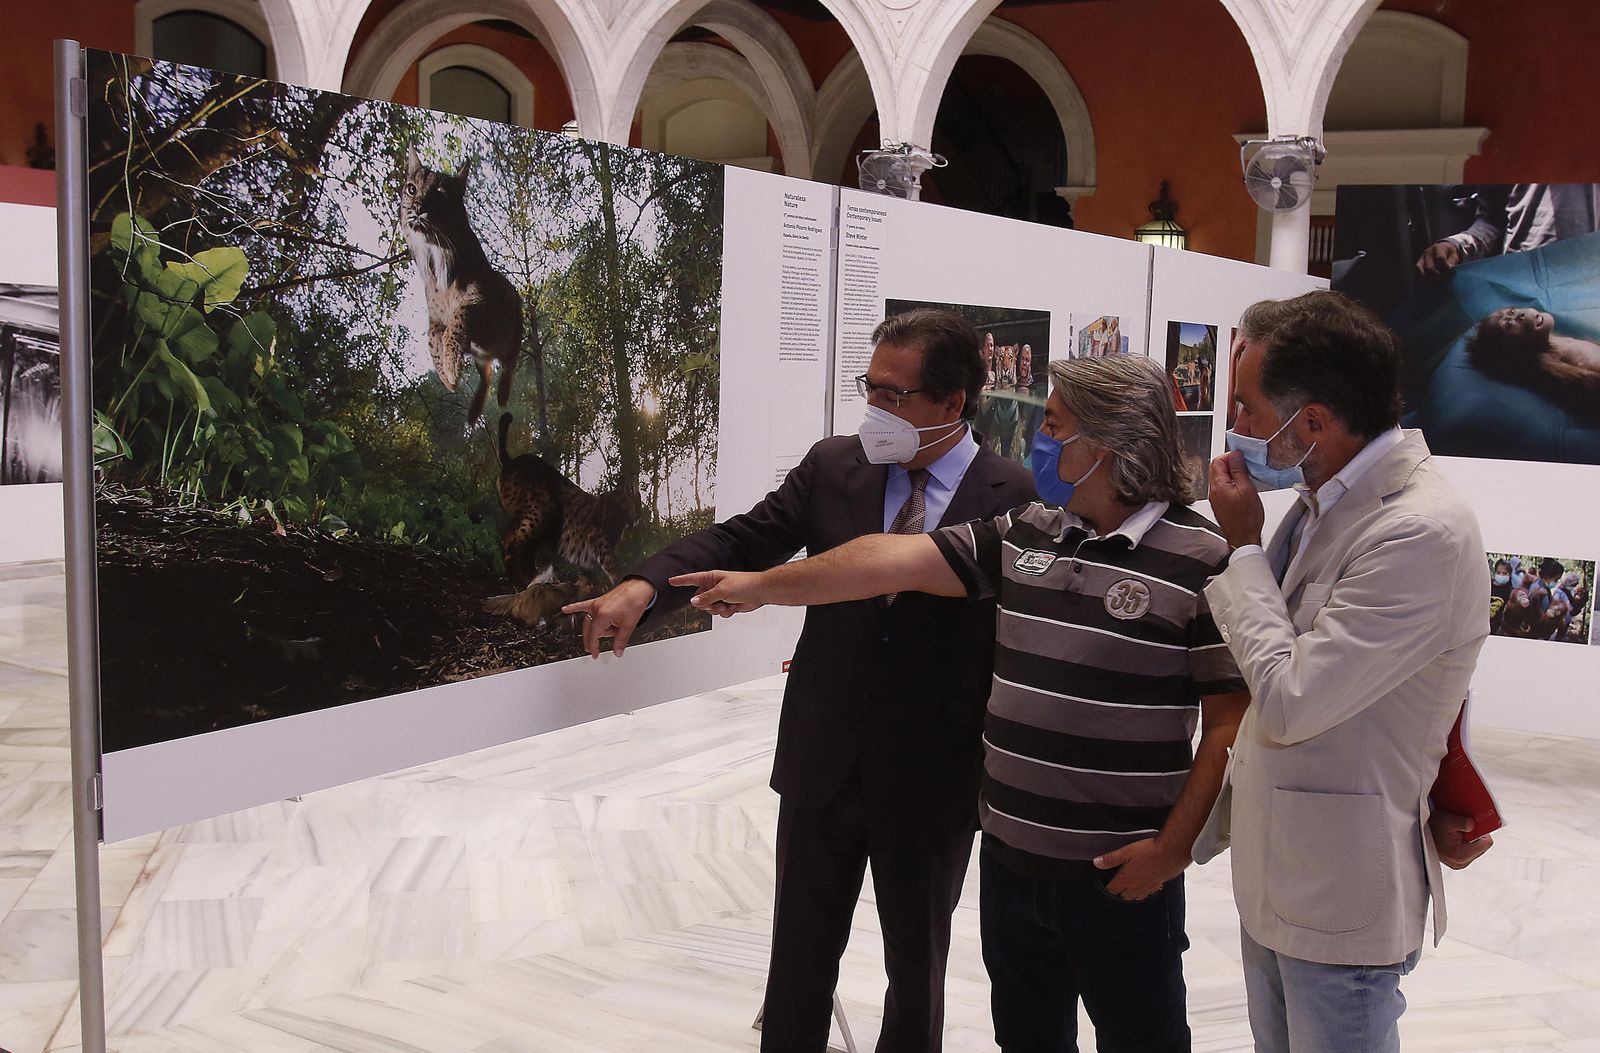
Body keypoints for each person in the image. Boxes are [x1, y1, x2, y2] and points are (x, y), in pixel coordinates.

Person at [670, 355, 1251, 1053]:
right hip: (1011, 866)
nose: (1039, 437)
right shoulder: (1029, 529)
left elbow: (1228, 726)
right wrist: (766, 584)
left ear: (1104, 443)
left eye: (1054, 425)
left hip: (1119, 878)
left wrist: (1171, 850)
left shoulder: (1203, 559)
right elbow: (894, 559)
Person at [565, 308, 1035, 1053]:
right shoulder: (835, 465)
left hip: (930, 775)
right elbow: (740, 540)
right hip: (823, 760)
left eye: (894, 396)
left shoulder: (1012, 494)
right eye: (869, 388)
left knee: (917, 974)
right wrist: (642, 586)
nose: (874, 410)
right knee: (797, 966)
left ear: (952, 404)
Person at [1200, 290, 1494, 1053]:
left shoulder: (1420, 528)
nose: (1237, 429)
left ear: (1315, 423)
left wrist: (1240, 549)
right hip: (1281, 869)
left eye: (1248, 407)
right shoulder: (1321, 501)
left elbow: (1295, 698)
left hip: (1340, 891)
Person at [1415, 183, 1600, 278]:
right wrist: (1457, 245)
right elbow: (1491, 222)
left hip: (1586, 279)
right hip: (1521, 278)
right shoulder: (1509, 144)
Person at [1464, 307, 1600, 419]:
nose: (1520, 314)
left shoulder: (1553, 341)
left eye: (1512, 311)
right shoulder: (1560, 366)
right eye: (1509, 324)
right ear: (1514, 350)